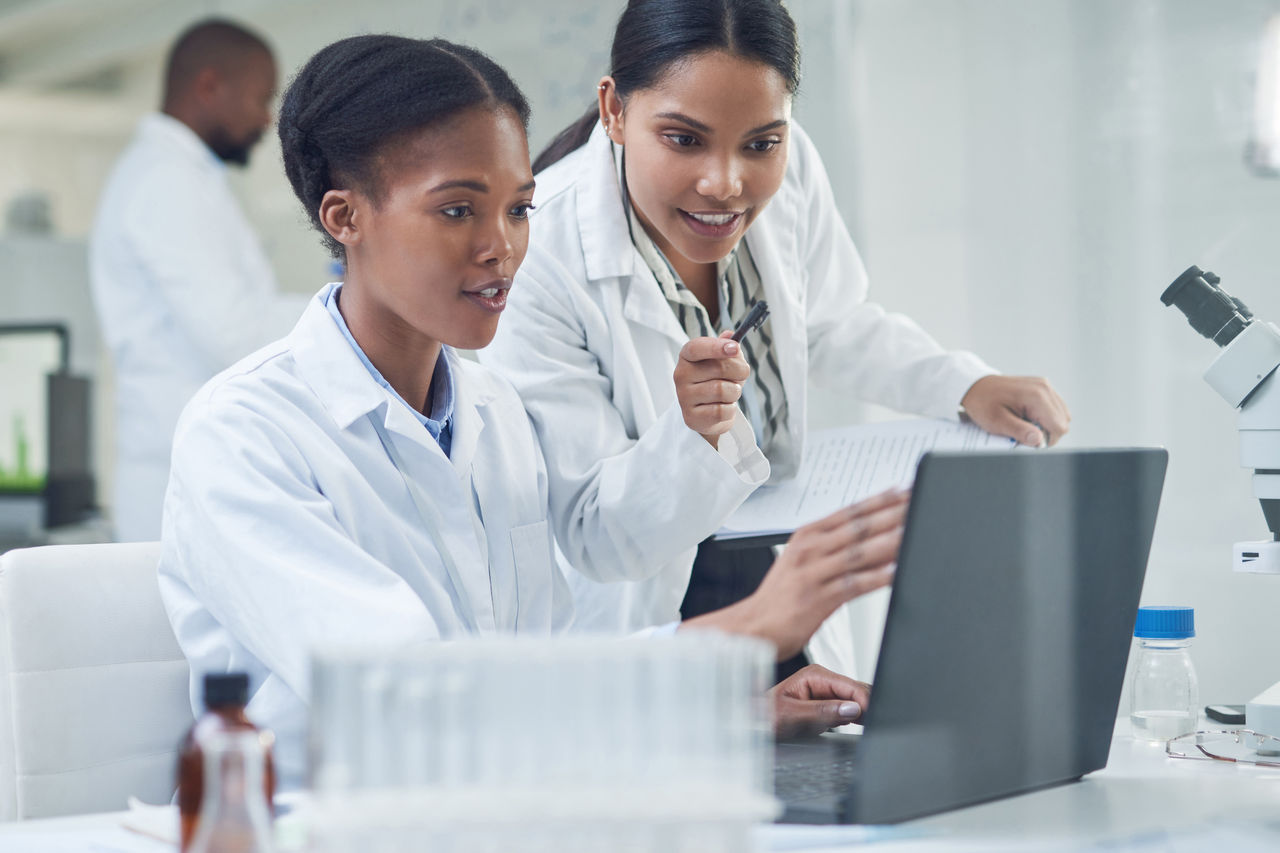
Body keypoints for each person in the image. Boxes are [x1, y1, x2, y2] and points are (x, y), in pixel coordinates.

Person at [158, 34, 908, 789]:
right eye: (458, 210)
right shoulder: (244, 434)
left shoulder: (493, 414)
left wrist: (724, 711)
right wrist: (743, 630)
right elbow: (410, 695)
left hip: (500, 808)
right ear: (345, 216)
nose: (502, 247)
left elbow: (545, 672)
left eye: (519, 209)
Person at [479, 0, 1072, 662]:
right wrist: (693, 434)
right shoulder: (539, 255)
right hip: (648, 611)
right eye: (684, 139)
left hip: (776, 564)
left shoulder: (792, 169)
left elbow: (829, 321)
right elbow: (594, 533)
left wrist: (963, 384)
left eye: (761, 143)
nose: (726, 183)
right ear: (615, 110)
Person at [89, 18, 309, 542]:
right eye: (261, 98)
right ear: (209, 87)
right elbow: (232, 333)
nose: (266, 117)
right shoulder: (167, 182)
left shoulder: (178, 177)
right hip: (178, 476)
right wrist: (359, 305)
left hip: (189, 466)